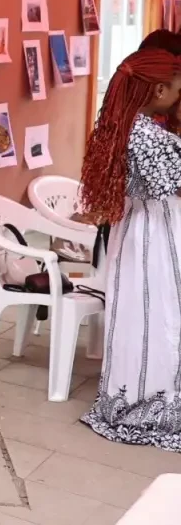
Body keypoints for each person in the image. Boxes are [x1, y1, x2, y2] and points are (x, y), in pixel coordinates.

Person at [78, 48, 181, 451]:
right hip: (157, 237)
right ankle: (153, 407)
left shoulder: (123, 127)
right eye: (176, 89)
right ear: (158, 89)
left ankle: (131, 397)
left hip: (136, 234)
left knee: (141, 319)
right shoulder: (149, 137)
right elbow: (169, 187)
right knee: (161, 320)